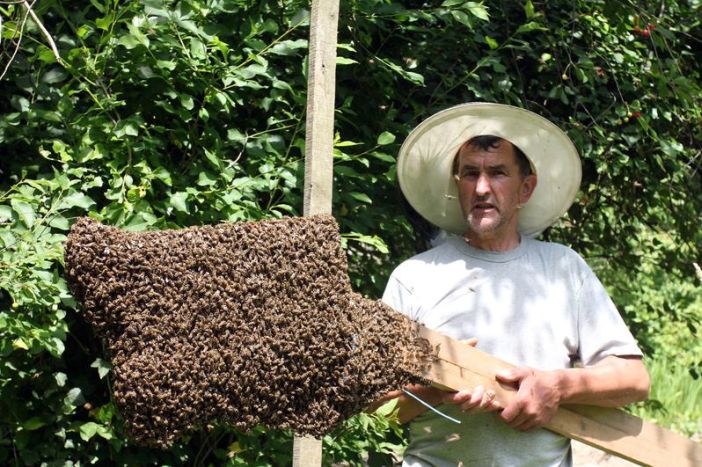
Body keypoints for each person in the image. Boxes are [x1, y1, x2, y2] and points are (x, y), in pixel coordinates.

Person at [380, 103, 650, 466]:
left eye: (498, 173)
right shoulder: (413, 277)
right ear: (456, 183)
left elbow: (633, 379)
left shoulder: (562, 269)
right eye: (470, 173)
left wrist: (555, 386)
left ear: (526, 188)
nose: (481, 187)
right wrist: (436, 389)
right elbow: (374, 407)